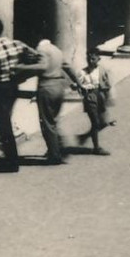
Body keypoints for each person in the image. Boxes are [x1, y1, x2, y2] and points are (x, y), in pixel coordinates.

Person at [0, 16, 41, 172]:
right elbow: (35, 56)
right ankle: (10, 158)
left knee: (2, 124)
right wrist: (20, 70)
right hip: (13, 87)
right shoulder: (16, 44)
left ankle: (12, 162)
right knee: (5, 122)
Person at [32, 36, 85, 165]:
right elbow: (69, 68)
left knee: (47, 123)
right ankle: (58, 148)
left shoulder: (41, 50)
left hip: (46, 86)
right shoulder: (57, 51)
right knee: (54, 120)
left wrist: (20, 70)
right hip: (59, 87)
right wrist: (79, 83)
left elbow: (41, 67)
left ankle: (54, 154)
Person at [75, 48, 114, 155]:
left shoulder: (102, 70)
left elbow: (107, 85)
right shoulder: (82, 72)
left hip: (100, 95)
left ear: (98, 59)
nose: (91, 61)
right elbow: (77, 84)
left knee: (103, 122)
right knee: (95, 122)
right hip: (90, 96)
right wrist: (79, 88)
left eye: (93, 59)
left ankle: (85, 137)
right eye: (89, 59)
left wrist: (108, 97)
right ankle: (96, 148)